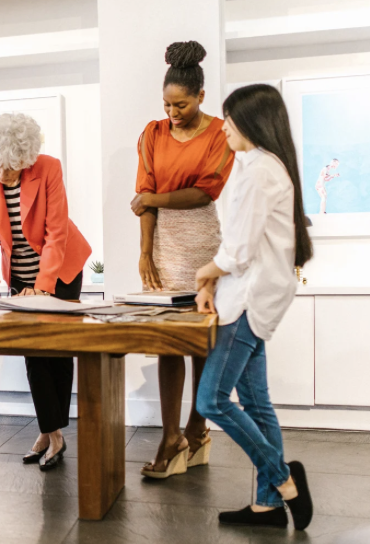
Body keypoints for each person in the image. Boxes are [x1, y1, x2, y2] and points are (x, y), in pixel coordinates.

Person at [195, 84, 314, 530]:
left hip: (247, 300)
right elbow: (241, 243)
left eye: (230, 119)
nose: (223, 126)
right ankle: (266, 507)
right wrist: (214, 281)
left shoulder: (262, 169)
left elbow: (239, 250)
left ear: (252, 123)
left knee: (210, 400)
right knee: (257, 404)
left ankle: (283, 481)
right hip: (251, 297)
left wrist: (204, 274)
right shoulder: (259, 165)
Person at [129, 41, 235, 479]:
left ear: (201, 97)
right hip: (164, 245)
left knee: (200, 342)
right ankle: (170, 436)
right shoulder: (152, 134)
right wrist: (144, 251)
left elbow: (204, 193)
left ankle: (197, 428)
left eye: (182, 104)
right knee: (165, 341)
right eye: (167, 104)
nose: (173, 112)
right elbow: (144, 200)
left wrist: (151, 197)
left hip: (203, 242)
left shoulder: (218, 133)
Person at [0, 113, 92, 471]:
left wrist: (42, 289)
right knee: (31, 351)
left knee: (57, 348)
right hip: (18, 276)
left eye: (10, 168)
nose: (2, 174)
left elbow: (56, 235)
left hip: (61, 271)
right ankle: (51, 433)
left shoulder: (48, 169)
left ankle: (51, 432)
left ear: (25, 162)